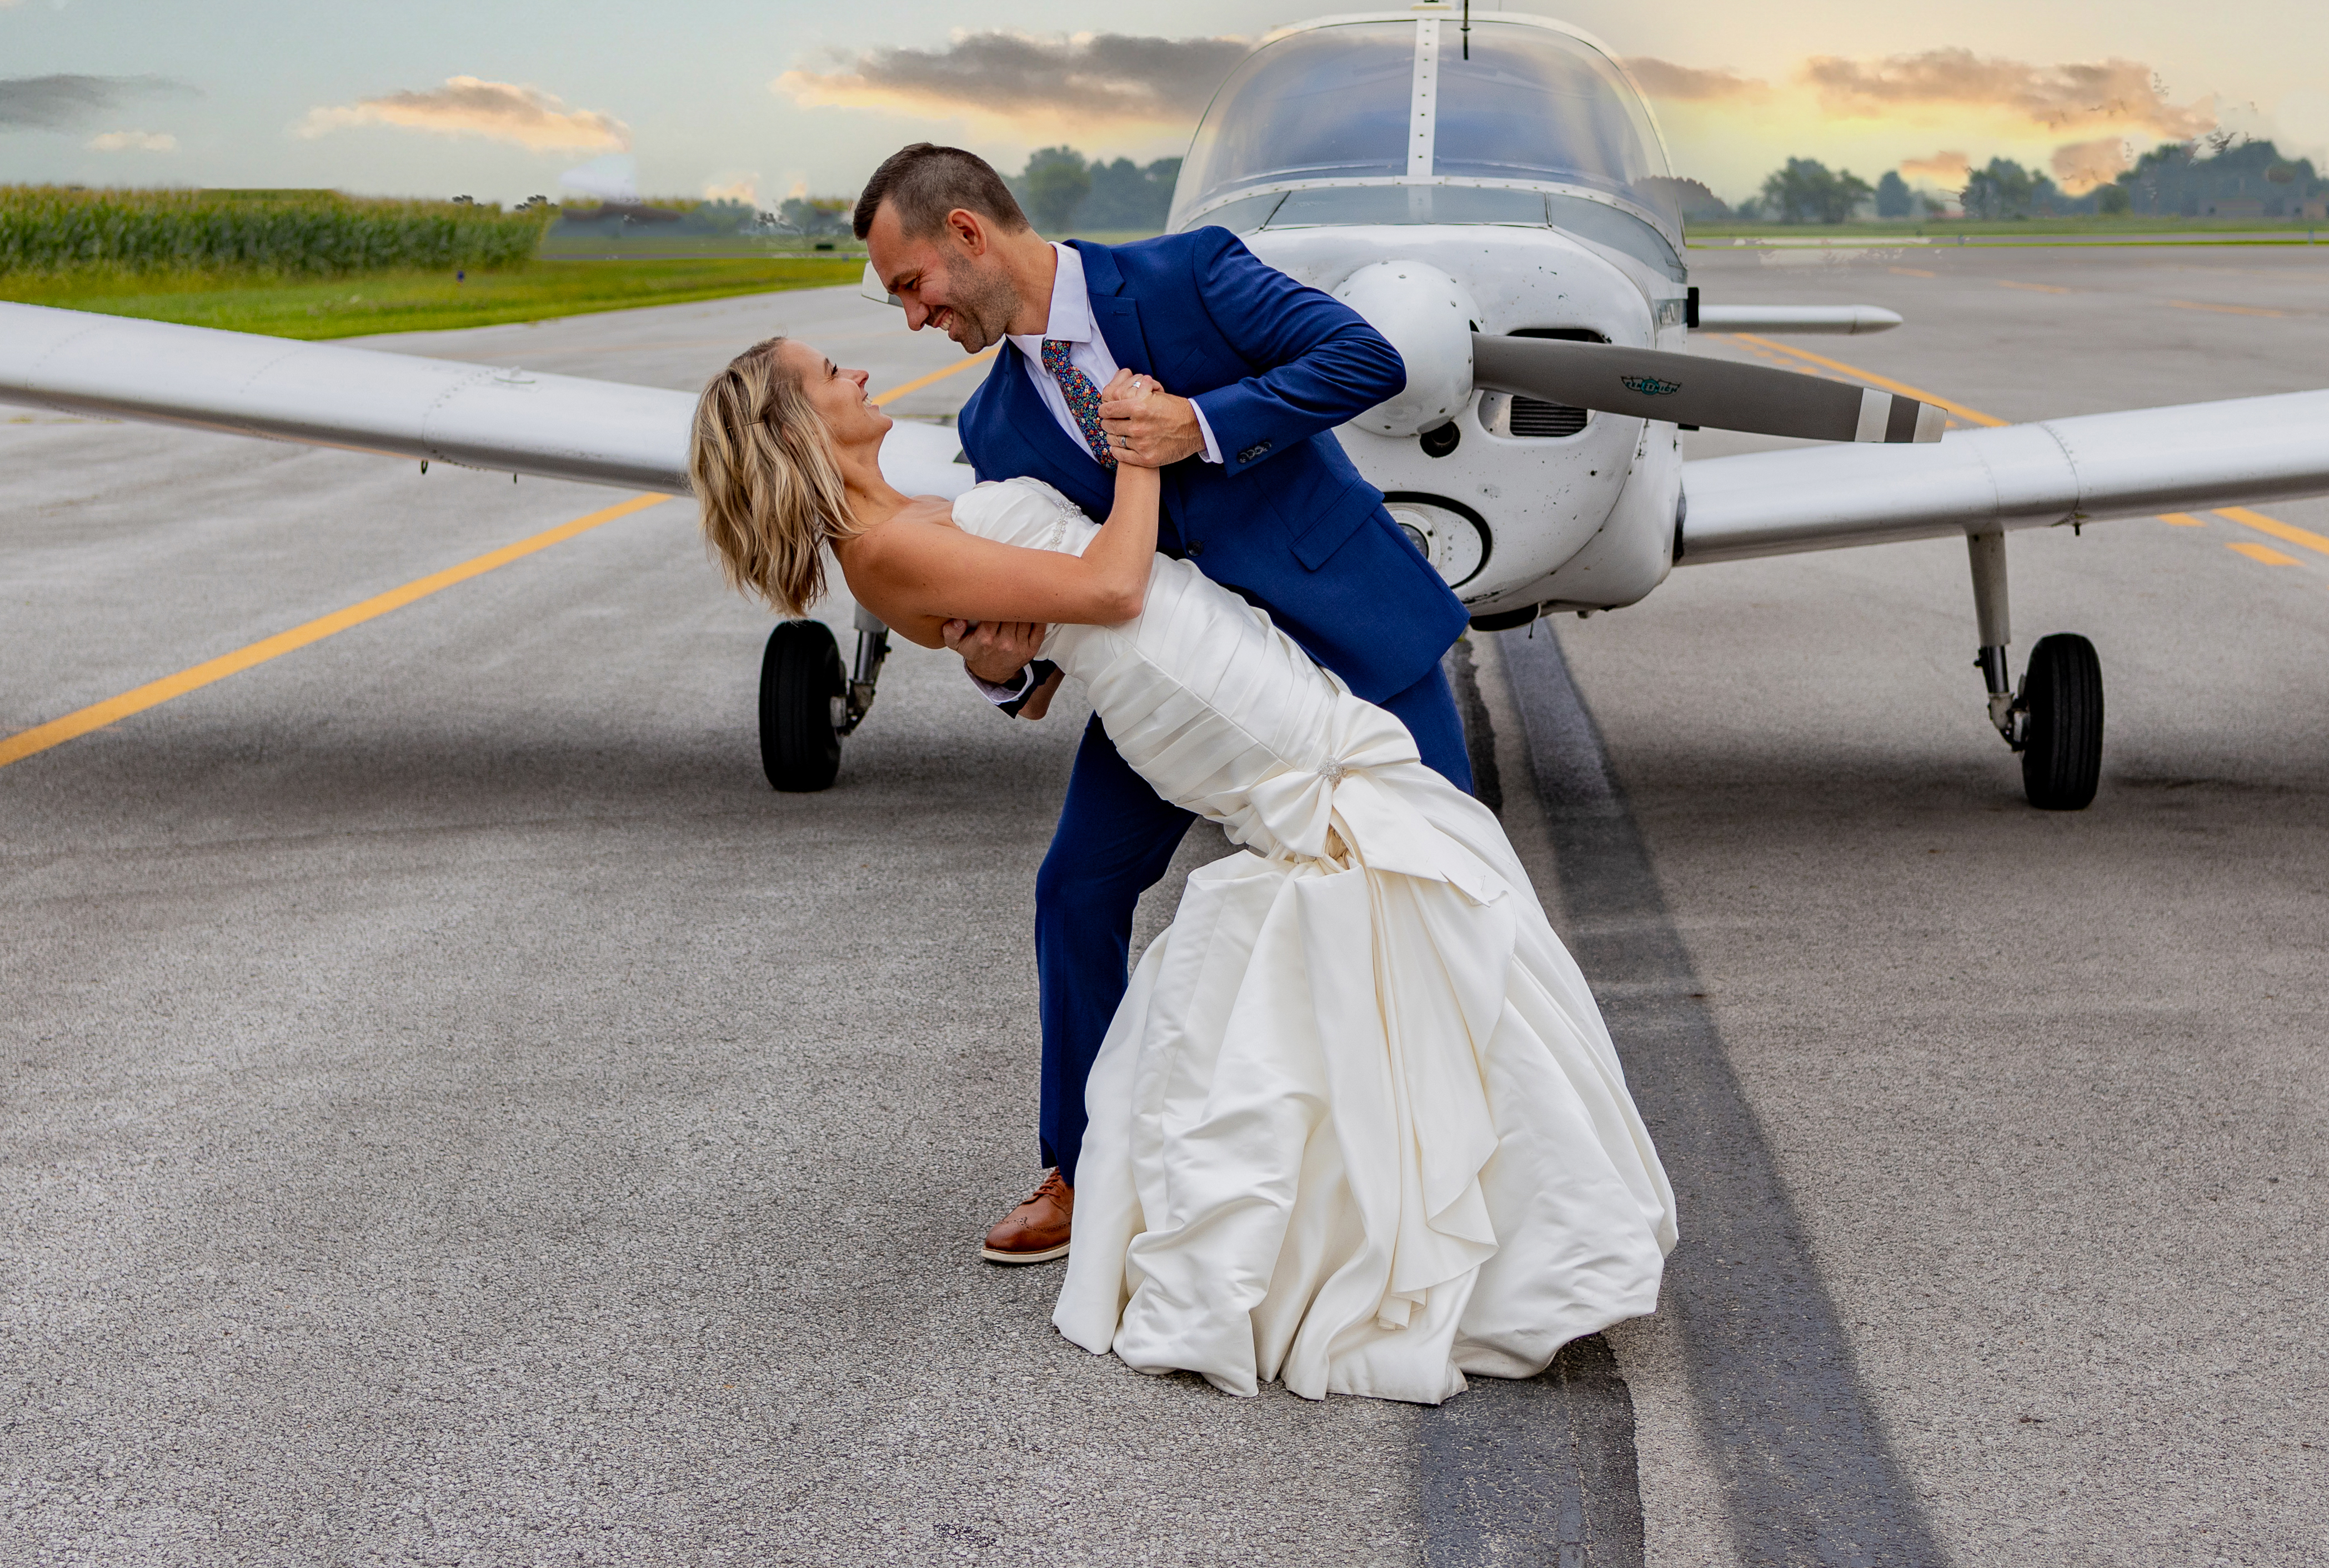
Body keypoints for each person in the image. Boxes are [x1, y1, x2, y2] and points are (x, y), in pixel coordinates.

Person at [687, 338, 1674, 1402]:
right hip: (1187, 690)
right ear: (797, 427)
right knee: (1379, 850)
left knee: (1391, 867)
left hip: (1207, 649)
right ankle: (1459, 1213)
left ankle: (1430, 1187)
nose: (865, 369)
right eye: (832, 375)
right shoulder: (879, 549)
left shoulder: (909, 507)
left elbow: (1029, 617)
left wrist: (1002, 645)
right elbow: (1109, 590)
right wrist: (1141, 455)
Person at [850, 144, 1475, 1268]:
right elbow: (1035, 666)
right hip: (1183, 686)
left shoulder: (1187, 274)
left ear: (965, 233)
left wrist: (1202, 422)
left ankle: (1469, 1155)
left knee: (1453, 886)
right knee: (1074, 888)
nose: (911, 318)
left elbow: (1362, 357)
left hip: (1348, 634)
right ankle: (1083, 1170)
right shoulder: (993, 431)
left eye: (910, 285)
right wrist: (997, 670)